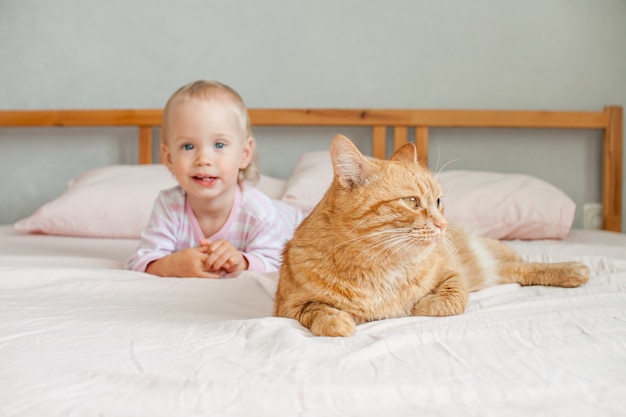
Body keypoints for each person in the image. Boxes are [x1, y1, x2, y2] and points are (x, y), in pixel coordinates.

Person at [126, 80, 305, 278]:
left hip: (294, 221)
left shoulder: (259, 213)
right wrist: (171, 265)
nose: (203, 159)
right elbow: (141, 260)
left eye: (219, 145)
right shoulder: (169, 206)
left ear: (244, 154)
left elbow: (276, 263)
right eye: (188, 146)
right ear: (169, 159)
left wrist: (243, 261)